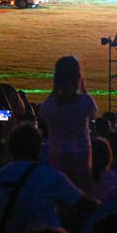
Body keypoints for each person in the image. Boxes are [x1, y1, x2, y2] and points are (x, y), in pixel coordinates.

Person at [39, 56, 99, 192]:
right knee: (82, 190)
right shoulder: (86, 101)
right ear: (78, 77)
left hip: (58, 153)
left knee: (59, 192)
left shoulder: (50, 105)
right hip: (81, 154)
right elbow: (93, 111)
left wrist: (54, 91)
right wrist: (83, 88)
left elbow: (42, 115)